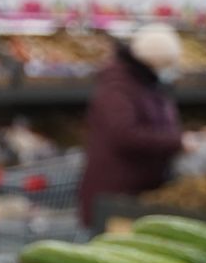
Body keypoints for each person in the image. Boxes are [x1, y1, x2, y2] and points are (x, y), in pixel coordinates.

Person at [78, 23, 186, 225]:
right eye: (166, 64)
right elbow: (124, 134)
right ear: (153, 62)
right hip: (116, 193)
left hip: (138, 191)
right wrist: (177, 142)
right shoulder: (117, 87)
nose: (169, 70)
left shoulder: (147, 84)